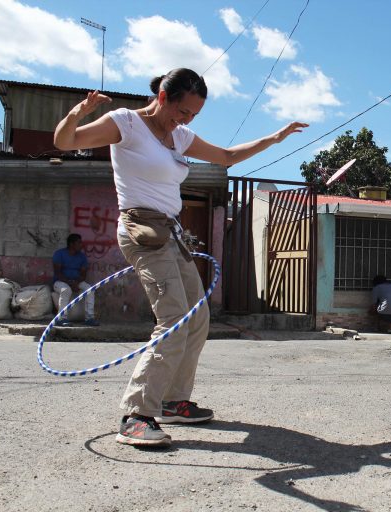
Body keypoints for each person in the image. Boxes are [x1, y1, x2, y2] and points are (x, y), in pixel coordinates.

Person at [54, 68, 308, 447]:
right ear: (163, 97)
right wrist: (80, 111)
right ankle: (136, 414)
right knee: (173, 319)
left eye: (193, 115)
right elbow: (65, 142)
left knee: (197, 316)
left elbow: (226, 156)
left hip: (172, 233)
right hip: (142, 230)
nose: (186, 120)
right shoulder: (125, 124)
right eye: (182, 111)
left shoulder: (179, 136)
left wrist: (274, 138)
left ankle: (172, 401)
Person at [52, 233, 98, 327]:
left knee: (89, 289)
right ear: (71, 244)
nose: (81, 245)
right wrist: (69, 283)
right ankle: (61, 318)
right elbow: (58, 273)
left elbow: (83, 274)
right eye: (79, 243)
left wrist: (76, 283)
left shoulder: (82, 256)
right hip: (60, 282)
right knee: (66, 290)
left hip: (76, 281)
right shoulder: (59, 254)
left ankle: (89, 318)